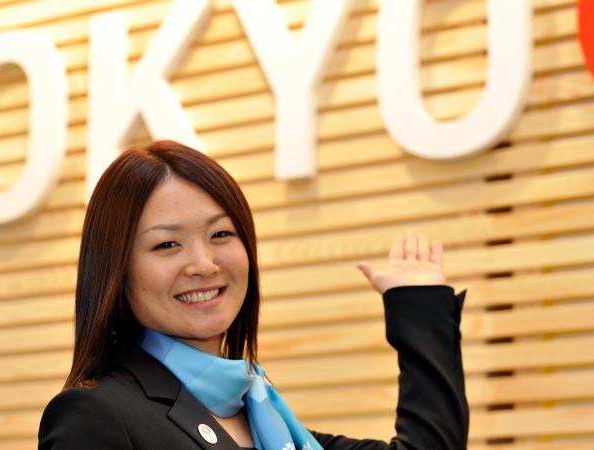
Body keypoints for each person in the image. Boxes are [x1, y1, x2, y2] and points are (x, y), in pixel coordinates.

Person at [38, 140, 468, 450]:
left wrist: (420, 307)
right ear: (117, 270)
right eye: (167, 244)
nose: (204, 263)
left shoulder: (260, 414)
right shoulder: (97, 416)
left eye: (221, 234)